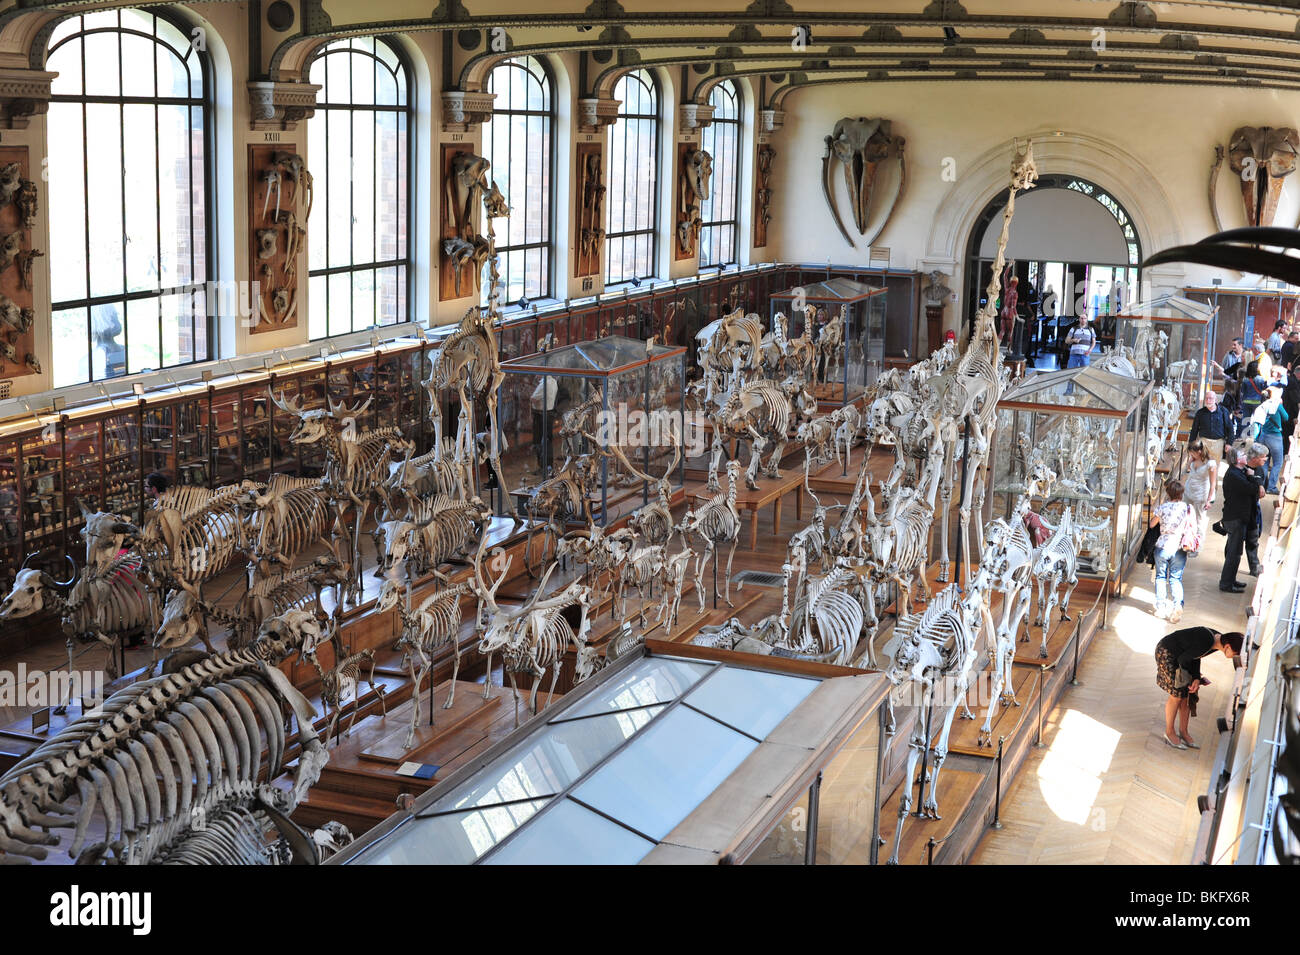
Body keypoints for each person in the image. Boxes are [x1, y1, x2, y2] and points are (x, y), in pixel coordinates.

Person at [1154, 628, 1243, 749]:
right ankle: (1169, 732)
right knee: (1177, 696)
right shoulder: (1208, 641)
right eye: (1236, 653)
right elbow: (1184, 659)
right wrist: (1191, 678)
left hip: (1181, 657)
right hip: (1168, 654)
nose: (1235, 656)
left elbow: (1195, 656)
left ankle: (1183, 732)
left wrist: (1195, 677)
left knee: (1186, 695)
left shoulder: (1215, 639)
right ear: (1227, 646)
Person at [1219, 444, 1267, 591]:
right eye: (1243, 455)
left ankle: (1231, 580)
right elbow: (1253, 490)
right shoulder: (1235, 475)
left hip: (1239, 516)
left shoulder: (1240, 471)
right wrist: (1253, 478)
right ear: (1236, 460)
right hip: (1235, 518)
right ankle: (1226, 584)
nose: (1246, 456)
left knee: (1235, 553)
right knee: (1234, 554)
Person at [1148, 479, 1197, 622]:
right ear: (1181, 494)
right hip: (1179, 547)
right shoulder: (1186, 508)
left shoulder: (1162, 508)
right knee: (1176, 578)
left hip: (1163, 546)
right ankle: (1177, 605)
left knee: (1160, 577)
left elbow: (1152, 525)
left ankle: (1161, 607)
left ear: (1168, 493)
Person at [1250, 385, 1289, 493]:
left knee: (1264, 461)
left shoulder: (1263, 405)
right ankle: (1271, 487)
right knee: (1278, 462)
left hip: (1263, 435)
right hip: (1275, 436)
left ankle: (1261, 484)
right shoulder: (1277, 405)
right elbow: (1286, 417)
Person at [1187, 390, 1233, 467]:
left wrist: (1229, 443)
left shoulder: (1223, 412)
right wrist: (1191, 447)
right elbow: (1194, 430)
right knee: (1202, 467)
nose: (1208, 400)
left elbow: (1230, 428)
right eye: (1207, 398)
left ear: (1215, 400)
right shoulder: (1200, 413)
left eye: (1211, 398)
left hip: (1218, 443)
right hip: (1204, 443)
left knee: (1215, 467)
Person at [1183, 439, 1217, 530]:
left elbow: (1213, 483)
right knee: (1184, 515)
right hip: (1189, 490)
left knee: (1199, 520)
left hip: (1201, 494)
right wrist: (1190, 460)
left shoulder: (1210, 464)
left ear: (1199, 451)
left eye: (1192, 453)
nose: (1191, 455)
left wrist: (1209, 500)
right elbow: (1187, 469)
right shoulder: (1193, 459)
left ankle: (1198, 541)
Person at [1238, 360, 1266, 437]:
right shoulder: (1261, 379)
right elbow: (1264, 389)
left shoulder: (1245, 379)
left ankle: (1244, 437)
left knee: (1246, 420)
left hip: (1246, 402)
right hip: (1257, 403)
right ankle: (1253, 437)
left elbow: (1242, 391)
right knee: (1256, 420)